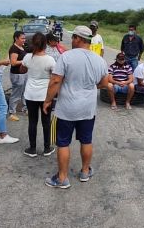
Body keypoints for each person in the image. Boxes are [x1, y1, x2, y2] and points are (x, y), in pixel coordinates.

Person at [43, 26, 109, 189]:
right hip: (87, 109)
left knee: (63, 143)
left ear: (79, 38)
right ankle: (85, 172)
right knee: (86, 139)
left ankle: (62, 178)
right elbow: (105, 83)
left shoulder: (66, 57)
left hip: (67, 109)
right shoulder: (99, 60)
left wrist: (47, 100)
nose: (71, 40)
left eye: (73, 37)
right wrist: (90, 87)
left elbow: (55, 81)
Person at [22, 32, 56, 157]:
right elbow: (54, 78)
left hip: (30, 94)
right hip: (45, 96)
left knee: (32, 121)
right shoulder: (50, 60)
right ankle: (47, 148)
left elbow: (23, 70)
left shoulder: (27, 58)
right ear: (45, 44)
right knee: (46, 122)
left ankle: (32, 149)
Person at [8, 30, 28, 121]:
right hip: (17, 75)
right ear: (16, 38)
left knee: (24, 92)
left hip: (24, 74)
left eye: (24, 38)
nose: (24, 40)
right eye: (22, 38)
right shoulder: (14, 49)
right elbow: (13, 62)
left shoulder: (22, 47)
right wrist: (24, 61)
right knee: (16, 94)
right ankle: (12, 112)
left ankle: (25, 109)